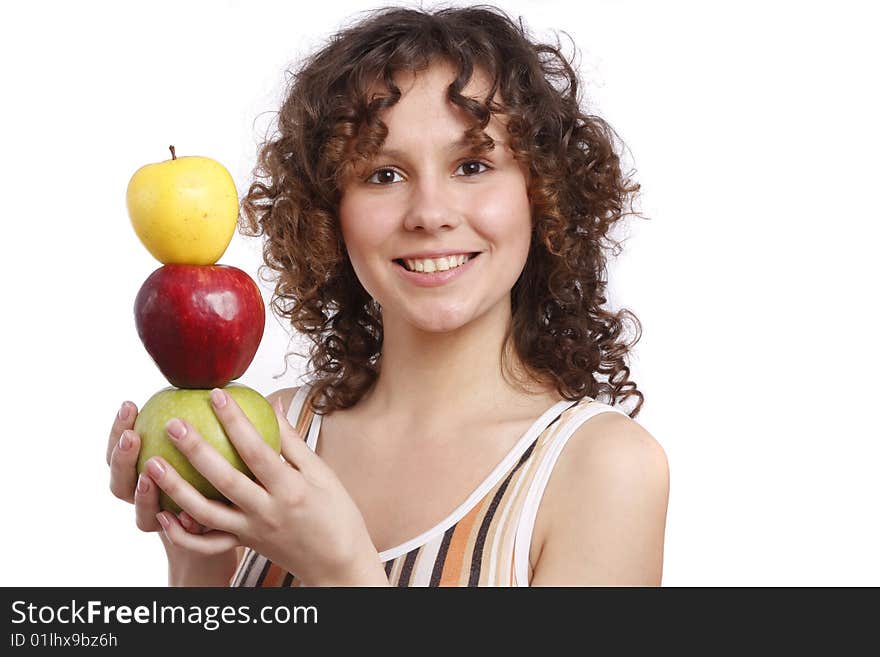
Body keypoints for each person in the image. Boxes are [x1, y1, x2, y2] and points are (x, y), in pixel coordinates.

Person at [106, 4, 669, 587]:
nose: (430, 213)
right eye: (383, 175)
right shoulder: (271, 435)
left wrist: (343, 571)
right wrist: (201, 554)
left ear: (542, 192)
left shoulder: (602, 469)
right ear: (329, 213)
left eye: (472, 165)